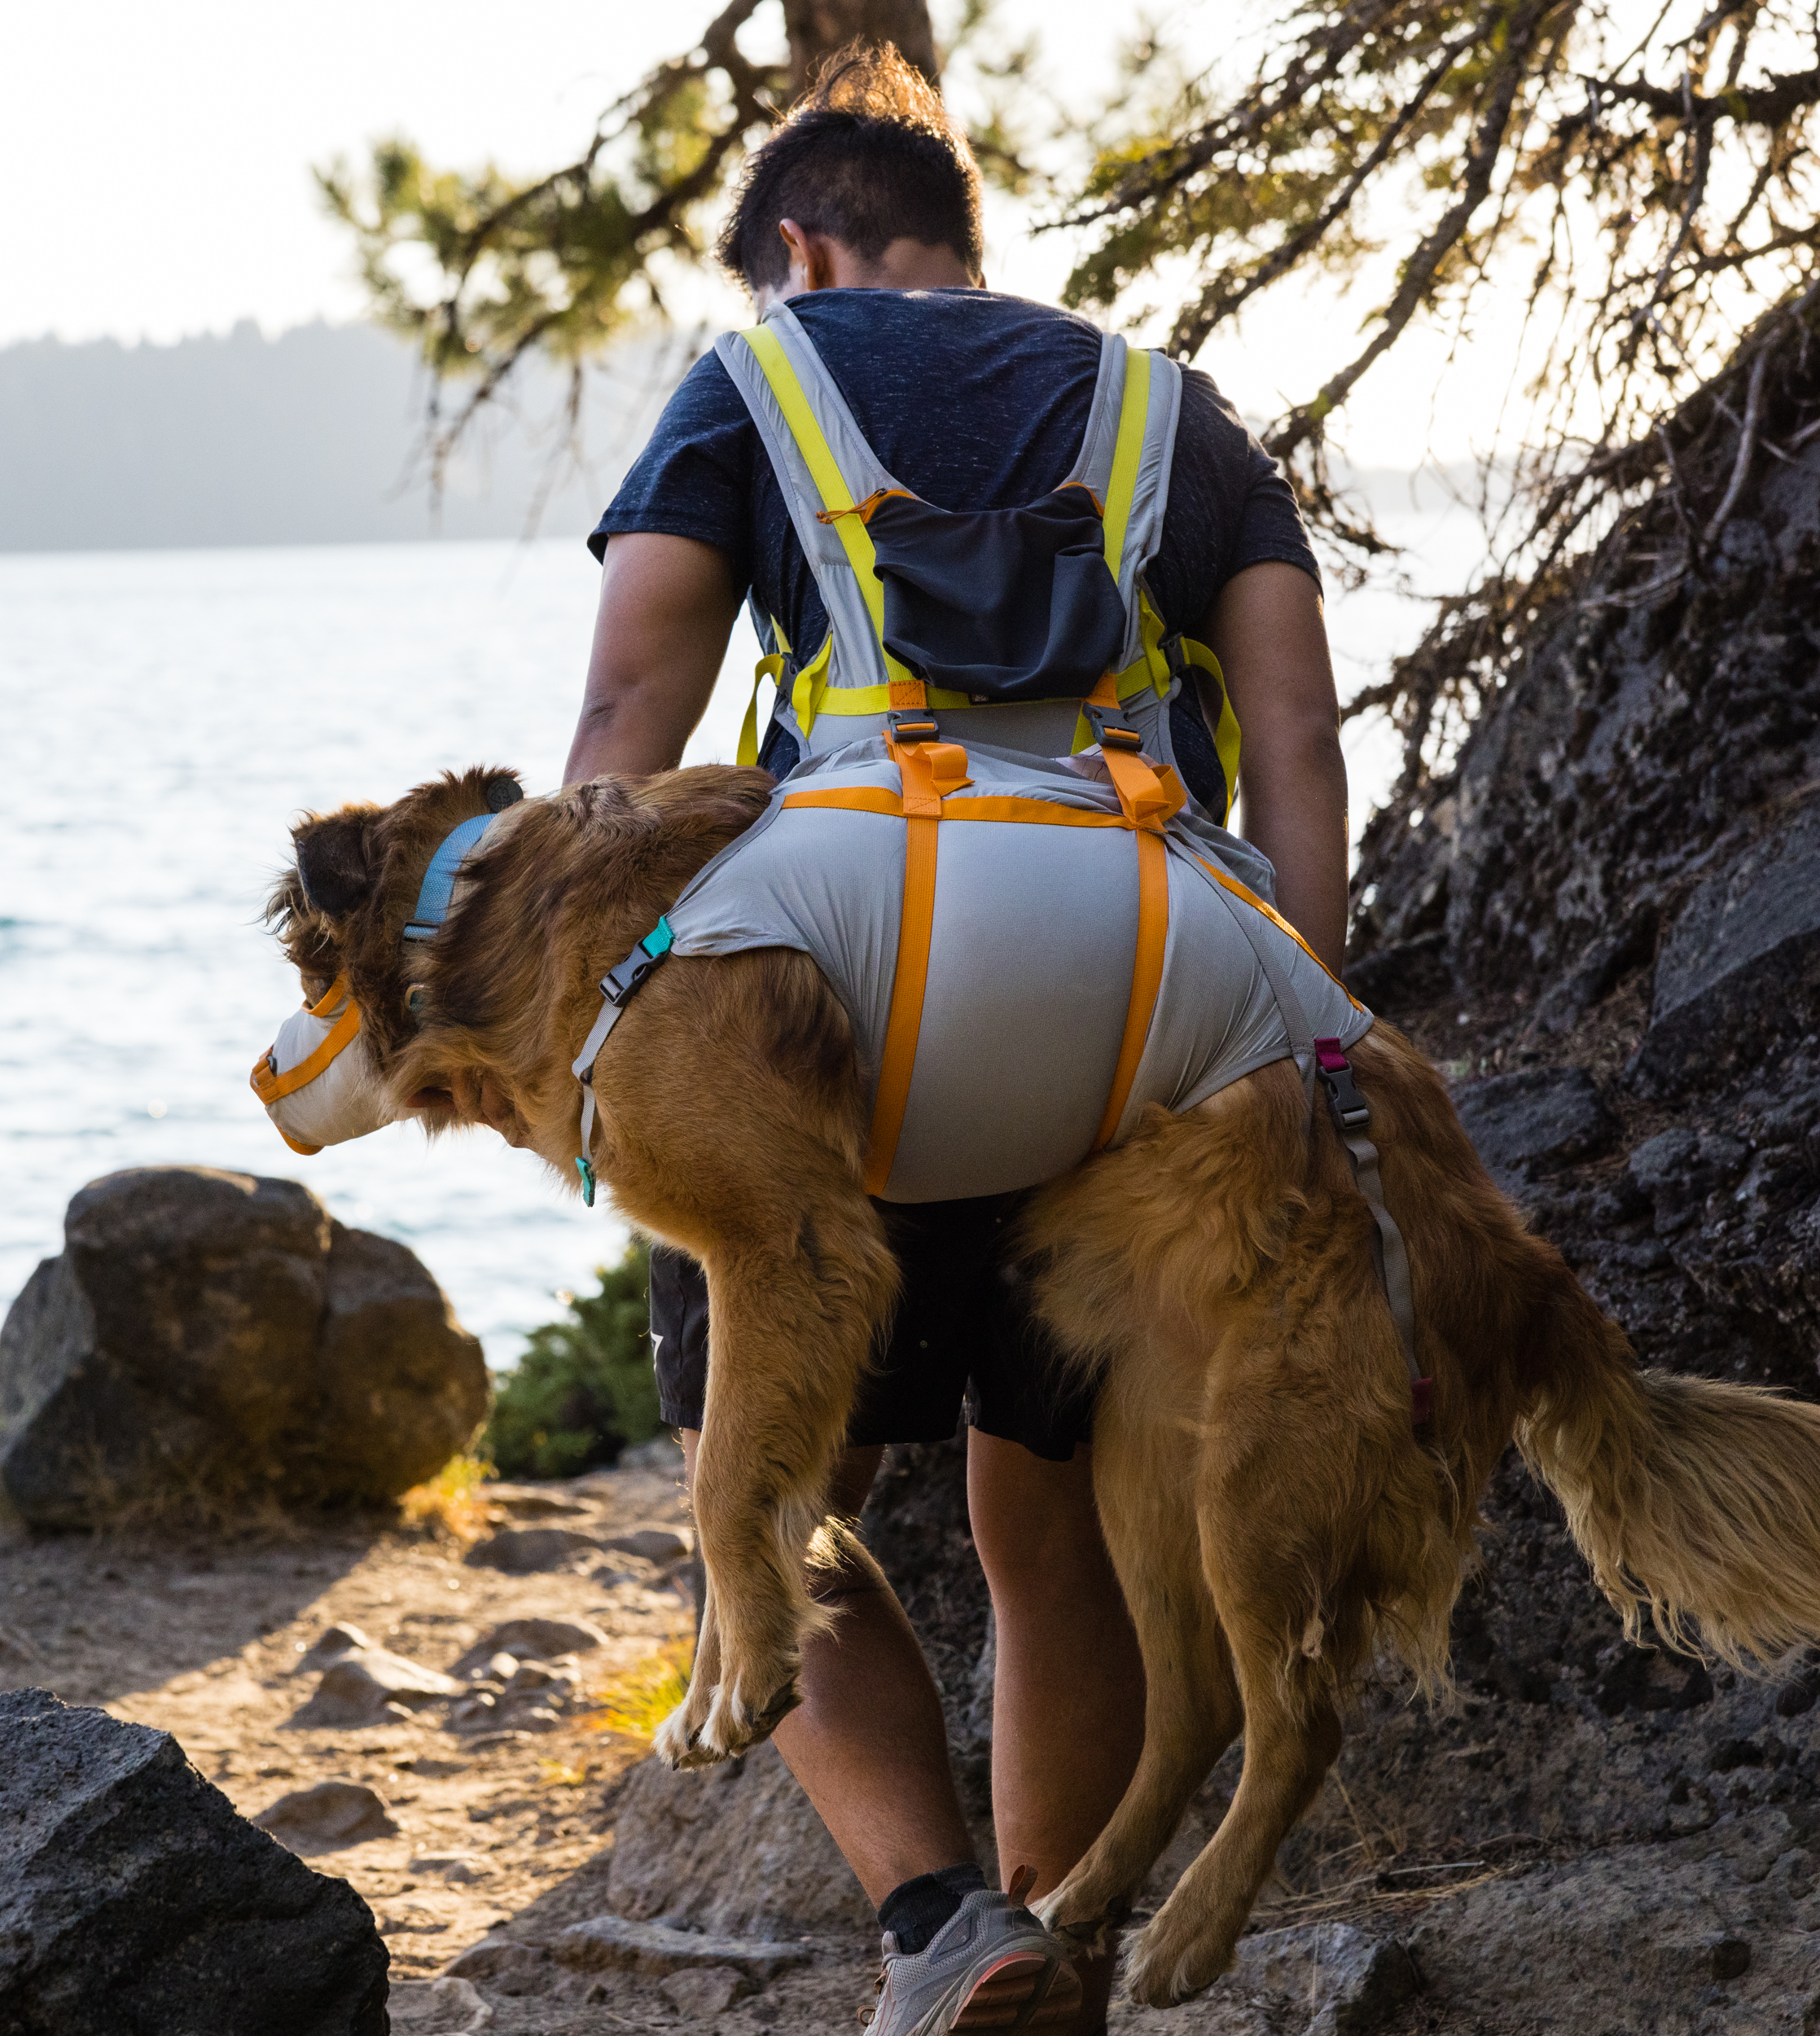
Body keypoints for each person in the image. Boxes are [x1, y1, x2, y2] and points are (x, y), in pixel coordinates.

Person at [565, 43, 1348, 2036]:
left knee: (761, 1489)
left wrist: (602, 1060)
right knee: (1044, 1495)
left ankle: (936, 1924)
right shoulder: (1175, 409)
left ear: (803, 247)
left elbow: (619, 731)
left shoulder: (759, 378)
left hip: (853, 991)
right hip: (1145, 994)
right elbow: (1296, 750)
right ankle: (1050, 1913)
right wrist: (1307, 1052)